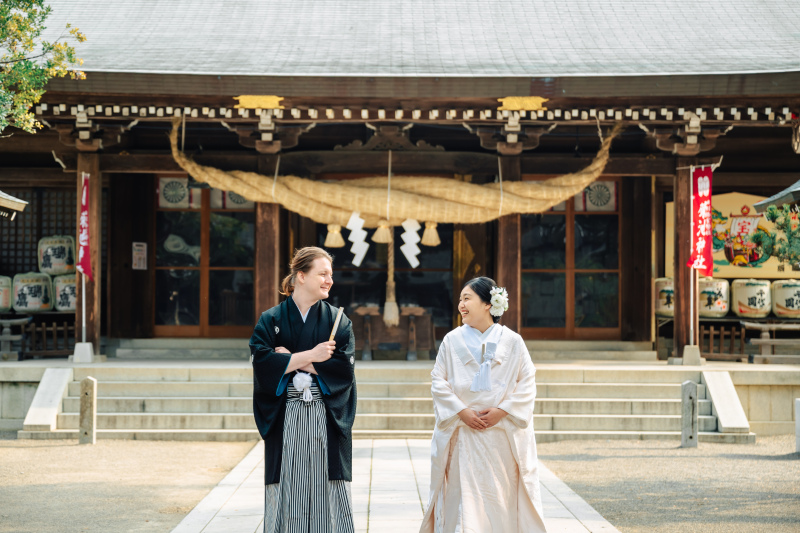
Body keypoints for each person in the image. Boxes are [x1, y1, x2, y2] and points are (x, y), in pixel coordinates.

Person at [420, 276, 547, 533]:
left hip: (500, 436)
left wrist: (502, 411)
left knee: (500, 500)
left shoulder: (512, 341)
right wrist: (461, 411)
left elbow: (527, 381)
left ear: (488, 304)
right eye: (460, 299)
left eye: (467, 298)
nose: (461, 305)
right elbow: (438, 380)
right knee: (461, 500)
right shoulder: (451, 340)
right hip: (463, 432)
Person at [250, 246, 357, 533]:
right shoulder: (271, 319)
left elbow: (343, 371)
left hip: (325, 412)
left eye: (330, 275)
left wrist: (292, 360)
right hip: (286, 412)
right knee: (288, 481)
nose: (329, 280)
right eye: (322, 274)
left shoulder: (338, 320)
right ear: (301, 276)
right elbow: (263, 364)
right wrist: (313, 356)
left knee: (327, 484)